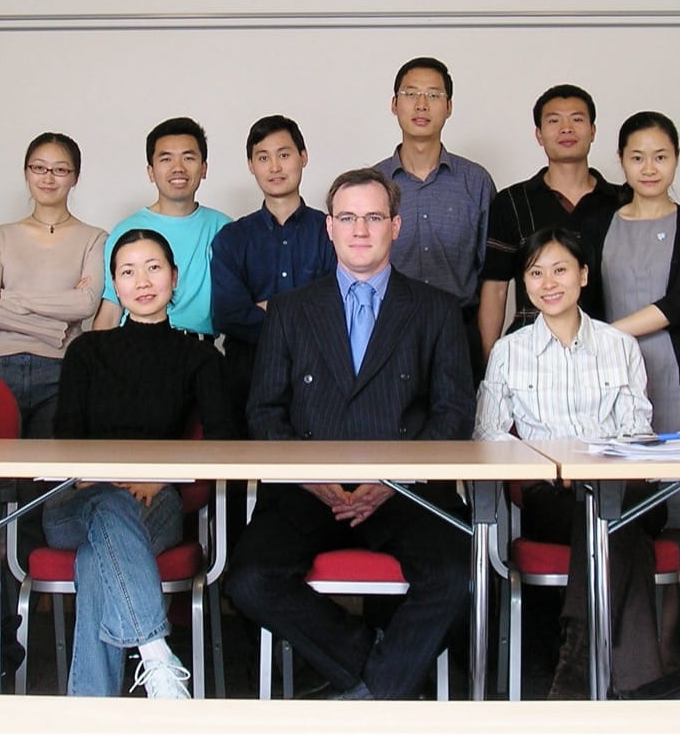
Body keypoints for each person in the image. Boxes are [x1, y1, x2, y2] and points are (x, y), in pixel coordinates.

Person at [226, 168, 473, 701]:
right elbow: (264, 412)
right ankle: (381, 671)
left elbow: (454, 413)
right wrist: (312, 478)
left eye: (373, 216)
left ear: (396, 226)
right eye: (347, 217)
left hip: (406, 492)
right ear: (329, 229)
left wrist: (393, 481)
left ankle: (368, 691)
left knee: (457, 574)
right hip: (307, 491)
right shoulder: (291, 311)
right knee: (248, 579)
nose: (360, 228)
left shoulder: (436, 309)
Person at [475, 226, 665, 698]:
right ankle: (641, 690)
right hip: (551, 495)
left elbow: (639, 433)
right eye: (535, 273)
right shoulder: (509, 352)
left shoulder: (618, 345)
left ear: (583, 275)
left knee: (607, 508)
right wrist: (547, 466)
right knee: (615, 528)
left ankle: (575, 662)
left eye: (560, 269)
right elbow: (489, 435)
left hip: (620, 485)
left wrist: (598, 470)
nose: (548, 283)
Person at [45, 229, 235, 698]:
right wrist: (109, 479)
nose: (143, 281)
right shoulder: (86, 351)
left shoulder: (199, 355)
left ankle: (90, 713)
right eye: (128, 271)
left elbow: (226, 439)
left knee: (97, 559)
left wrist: (161, 475)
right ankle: (155, 650)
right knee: (109, 507)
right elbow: (65, 439)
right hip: (79, 498)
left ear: (175, 277)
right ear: (114, 284)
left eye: (154, 268)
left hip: (157, 500)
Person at [587, 112, 680, 527]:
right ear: (621, 160)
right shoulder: (598, 220)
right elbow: (584, 296)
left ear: (677, 158)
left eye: (660, 156)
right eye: (637, 157)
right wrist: (600, 344)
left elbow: (679, 303)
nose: (649, 168)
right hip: (610, 374)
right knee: (621, 492)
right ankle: (631, 588)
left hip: (678, 374)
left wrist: (603, 334)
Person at [0, 132, 107, 438]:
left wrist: (8, 298)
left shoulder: (94, 238)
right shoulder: (0, 236)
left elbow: (85, 304)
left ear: (75, 177)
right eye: (39, 168)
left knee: (50, 476)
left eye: (60, 169)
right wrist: (53, 328)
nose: (48, 178)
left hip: (62, 369)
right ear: (26, 172)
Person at [210, 115, 336, 430]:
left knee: (316, 471)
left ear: (303, 157)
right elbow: (227, 316)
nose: (275, 167)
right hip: (247, 374)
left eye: (284, 154)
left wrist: (268, 308)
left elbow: (338, 309)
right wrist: (301, 310)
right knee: (244, 468)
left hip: (322, 373)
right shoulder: (232, 238)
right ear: (251, 165)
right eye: (263, 158)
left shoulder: (333, 231)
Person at [374, 58, 496, 379]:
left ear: (449, 107)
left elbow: (491, 277)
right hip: (387, 331)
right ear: (394, 104)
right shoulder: (372, 184)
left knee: (460, 427)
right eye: (411, 93)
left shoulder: (476, 182)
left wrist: (487, 354)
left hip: (458, 330)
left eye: (433, 95)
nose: (421, 104)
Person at [480, 84, 621, 359]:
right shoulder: (511, 202)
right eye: (554, 120)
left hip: (606, 350)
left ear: (593, 131)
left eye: (577, 119)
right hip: (530, 354)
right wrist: (490, 361)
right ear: (539, 135)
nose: (566, 129)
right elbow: (496, 289)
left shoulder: (621, 201)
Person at [94, 117, 230, 337]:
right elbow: (111, 309)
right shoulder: (127, 230)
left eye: (188, 157)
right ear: (150, 171)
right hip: (133, 347)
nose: (178, 168)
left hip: (197, 353)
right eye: (166, 159)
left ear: (204, 168)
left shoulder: (224, 229)